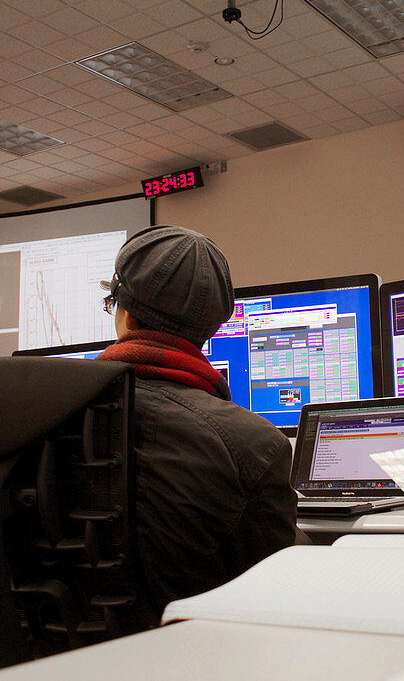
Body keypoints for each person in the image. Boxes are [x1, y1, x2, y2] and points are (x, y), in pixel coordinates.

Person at [96, 225, 297, 622]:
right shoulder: (256, 446)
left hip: (18, 663)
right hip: (180, 660)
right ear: (210, 330)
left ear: (124, 314)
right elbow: (276, 591)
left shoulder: (23, 416)